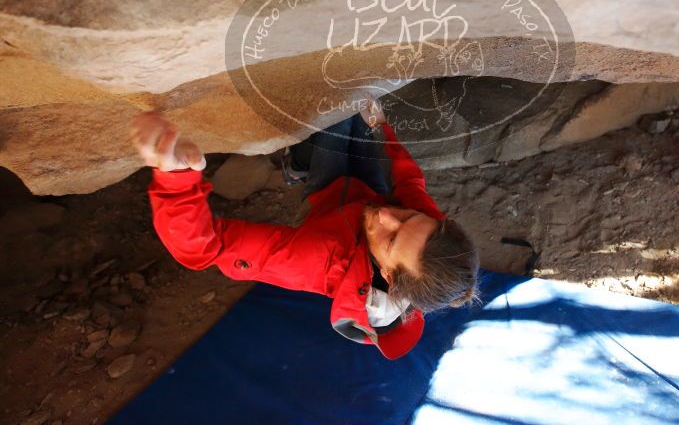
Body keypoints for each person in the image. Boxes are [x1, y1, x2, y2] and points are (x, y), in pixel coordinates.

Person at [130, 100, 479, 360]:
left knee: (334, 116)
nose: (389, 215)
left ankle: (297, 165)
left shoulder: (317, 259)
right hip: (365, 191)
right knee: (358, 113)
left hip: (330, 193)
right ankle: (303, 158)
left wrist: (177, 182)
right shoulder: (427, 237)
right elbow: (409, 183)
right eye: (408, 217)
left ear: (387, 274)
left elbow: (208, 249)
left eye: (391, 237)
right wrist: (383, 128)